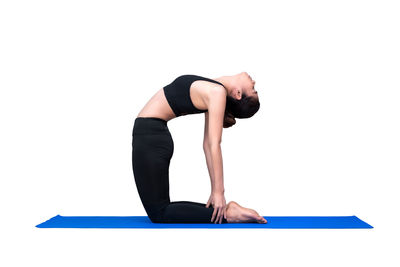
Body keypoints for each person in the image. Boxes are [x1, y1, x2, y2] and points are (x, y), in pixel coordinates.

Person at [132, 72, 267, 224]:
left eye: (253, 88)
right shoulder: (216, 89)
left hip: (150, 137)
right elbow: (207, 145)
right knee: (160, 210)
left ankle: (228, 215)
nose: (253, 81)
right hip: (152, 135)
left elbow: (213, 144)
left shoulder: (217, 93)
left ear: (238, 93)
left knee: (159, 213)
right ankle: (228, 212)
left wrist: (218, 191)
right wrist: (216, 191)